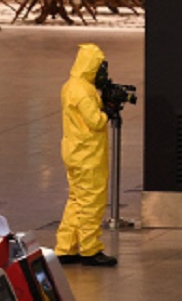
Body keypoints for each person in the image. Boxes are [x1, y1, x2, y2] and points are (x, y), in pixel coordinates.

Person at [54, 43, 118, 266]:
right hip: (88, 155)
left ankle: (66, 247)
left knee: (76, 200)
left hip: (73, 151)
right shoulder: (84, 92)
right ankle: (91, 249)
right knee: (91, 202)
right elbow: (96, 121)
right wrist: (107, 111)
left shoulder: (71, 86)